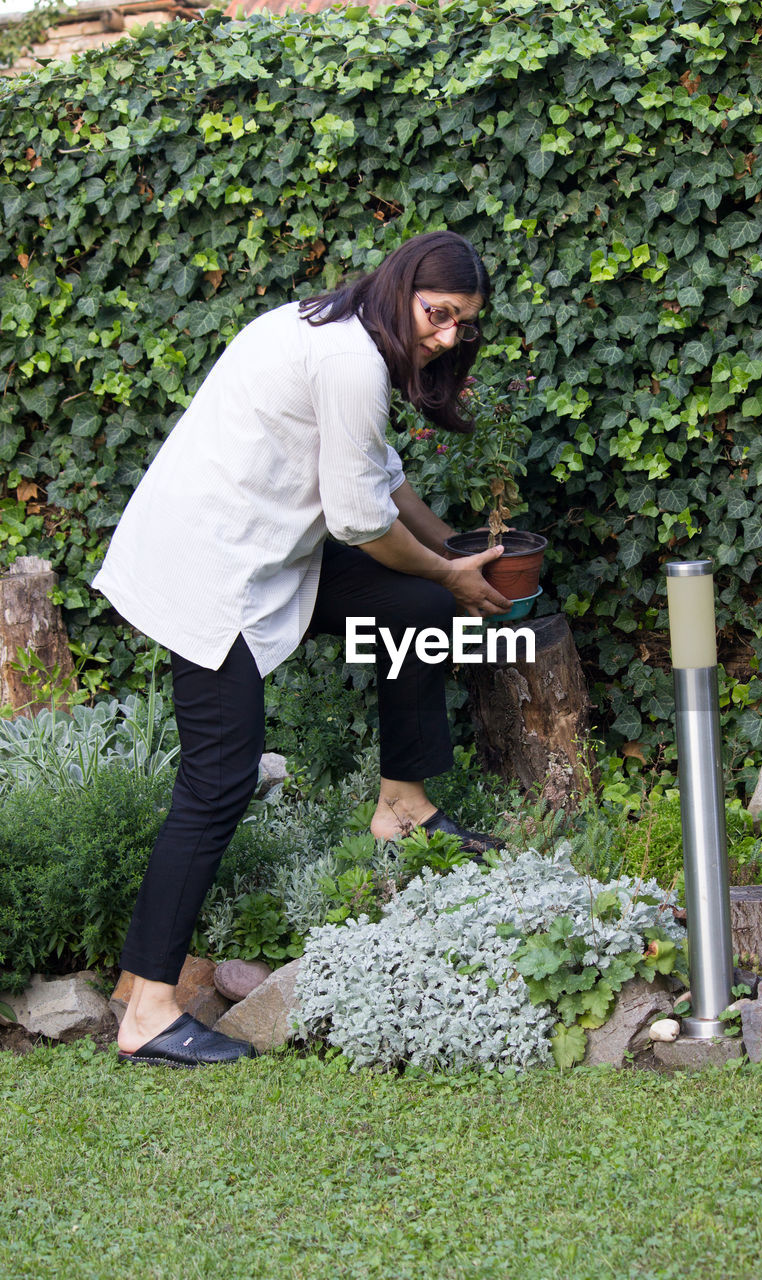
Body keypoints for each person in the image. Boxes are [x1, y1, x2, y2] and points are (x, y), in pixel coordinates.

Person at [93, 229, 511, 1067]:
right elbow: (359, 521)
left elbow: (381, 477)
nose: (446, 338)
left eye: (462, 325)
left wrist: (454, 562)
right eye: (439, 316)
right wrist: (451, 574)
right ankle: (144, 1007)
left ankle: (402, 803)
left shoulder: (333, 326)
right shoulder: (349, 358)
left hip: (264, 557)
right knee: (217, 781)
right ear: (403, 290)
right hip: (209, 572)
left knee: (419, 605)